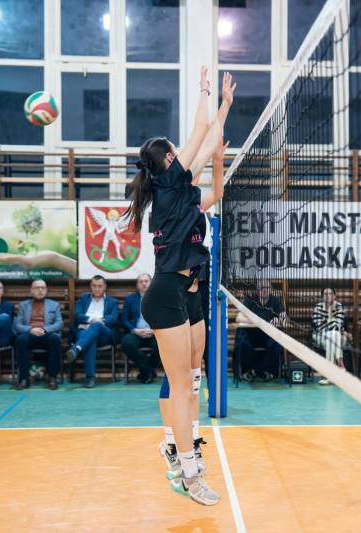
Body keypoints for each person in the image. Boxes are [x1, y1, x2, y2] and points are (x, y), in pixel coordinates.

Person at [126, 66, 234, 506]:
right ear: (169, 160)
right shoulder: (168, 184)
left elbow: (214, 184)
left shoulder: (182, 192)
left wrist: (223, 114)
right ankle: (189, 471)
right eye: (175, 149)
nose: (180, 149)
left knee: (193, 376)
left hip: (190, 291)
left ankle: (177, 443)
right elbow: (201, 133)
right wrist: (208, 95)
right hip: (166, 294)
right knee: (184, 386)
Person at [66, 275, 119, 388]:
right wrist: (91, 320)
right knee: (91, 339)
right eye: (94, 286)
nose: (97, 289)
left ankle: (76, 349)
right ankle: (90, 378)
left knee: (97, 325)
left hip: (104, 334)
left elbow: (113, 318)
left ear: (104, 287)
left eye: (99, 286)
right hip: (83, 331)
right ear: (91, 286)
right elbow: (78, 315)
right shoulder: (83, 299)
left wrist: (97, 321)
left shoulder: (112, 302)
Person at [13, 279, 63, 390]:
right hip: (29, 334)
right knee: (20, 340)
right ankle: (24, 379)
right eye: (37, 288)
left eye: (43, 288)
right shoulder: (23, 305)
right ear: (31, 290)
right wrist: (31, 329)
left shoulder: (54, 305)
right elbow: (17, 325)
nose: (40, 290)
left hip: (46, 334)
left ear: (46, 290)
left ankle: (53, 378)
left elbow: (59, 323)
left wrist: (45, 329)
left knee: (55, 340)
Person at [235, 279, 286, 382]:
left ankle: (258, 371)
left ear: (271, 289)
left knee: (276, 345)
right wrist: (255, 321)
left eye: (267, 288)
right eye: (262, 288)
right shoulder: (250, 300)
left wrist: (279, 319)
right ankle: (259, 371)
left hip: (268, 335)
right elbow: (238, 318)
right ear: (257, 290)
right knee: (243, 344)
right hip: (252, 334)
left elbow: (283, 317)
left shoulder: (275, 301)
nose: (265, 290)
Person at [121, 273, 161, 384]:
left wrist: (154, 330)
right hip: (137, 332)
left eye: (146, 281)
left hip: (154, 332)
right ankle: (149, 370)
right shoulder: (130, 299)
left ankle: (145, 372)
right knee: (126, 343)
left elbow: (164, 317)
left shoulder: (158, 298)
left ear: (151, 283)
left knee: (162, 344)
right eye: (141, 281)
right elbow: (124, 319)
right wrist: (134, 330)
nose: (143, 284)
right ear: (137, 285)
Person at [311, 287, 350, 385]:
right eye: (325, 294)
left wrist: (330, 323)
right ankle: (340, 363)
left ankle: (329, 376)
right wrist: (331, 318)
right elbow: (320, 327)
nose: (328, 296)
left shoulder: (339, 306)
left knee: (332, 336)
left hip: (336, 336)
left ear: (334, 296)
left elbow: (338, 324)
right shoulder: (318, 307)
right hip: (320, 335)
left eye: (330, 293)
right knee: (332, 335)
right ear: (322, 297)